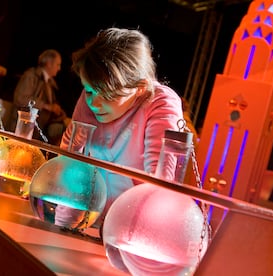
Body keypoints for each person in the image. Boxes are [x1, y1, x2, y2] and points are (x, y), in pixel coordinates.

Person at [57, 27, 184, 229]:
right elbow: (70, 157)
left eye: (107, 94)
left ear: (140, 87)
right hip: (87, 218)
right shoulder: (90, 95)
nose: (94, 103)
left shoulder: (160, 103)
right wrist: (63, 223)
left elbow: (160, 182)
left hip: (133, 226)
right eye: (89, 91)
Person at [11, 49, 69, 145]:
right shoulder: (31, 76)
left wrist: (57, 112)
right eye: (58, 64)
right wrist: (47, 106)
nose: (59, 68)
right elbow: (20, 98)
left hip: (35, 132)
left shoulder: (49, 83)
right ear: (49, 63)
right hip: (22, 130)